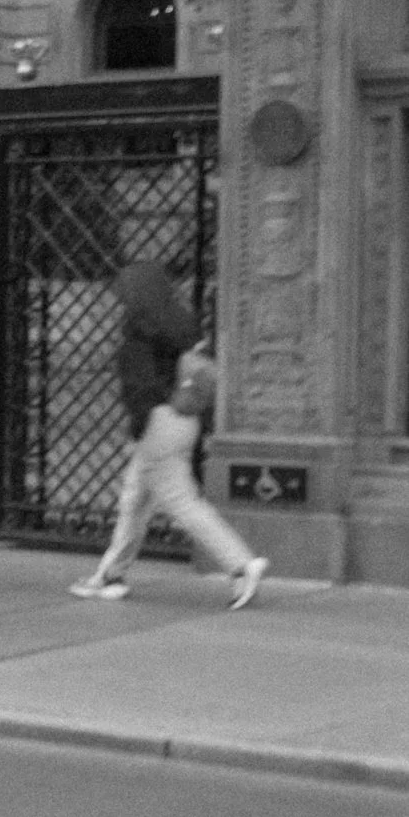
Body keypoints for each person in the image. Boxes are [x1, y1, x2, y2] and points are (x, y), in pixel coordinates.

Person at [70, 256, 265, 609]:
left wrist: (139, 427)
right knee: (135, 501)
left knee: (182, 504)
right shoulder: (182, 324)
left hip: (158, 425)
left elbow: (140, 390)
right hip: (184, 418)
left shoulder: (138, 333)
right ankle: (110, 574)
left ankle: (241, 566)